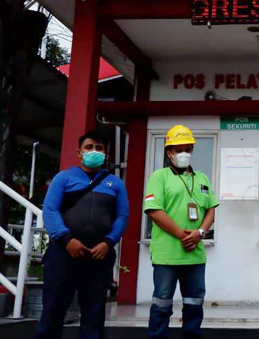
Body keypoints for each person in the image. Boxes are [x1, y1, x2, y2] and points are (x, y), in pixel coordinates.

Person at [37, 131, 129, 339]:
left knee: (94, 313)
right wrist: (67, 240)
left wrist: (108, 243)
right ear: (79, 152)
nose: (94, 151)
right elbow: (50, 211)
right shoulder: (63, 178)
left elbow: (122, 216)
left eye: (99, 148)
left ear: (106, 154)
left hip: (99, 254)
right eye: (89, 147)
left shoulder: (115, 183)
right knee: (53, 309)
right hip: (63, 253)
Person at [144, 125, 219, 339]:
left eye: (187, 149)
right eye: (178, 150)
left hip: (194, 254)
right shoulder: (159, 177)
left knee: (194, 305)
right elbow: (154, 211)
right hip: (167, 255)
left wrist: (200, 233)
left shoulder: (202, 178)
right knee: (161, 305)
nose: (183, 153)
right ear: (169, 152)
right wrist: (183, 235)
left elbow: (211, 210)